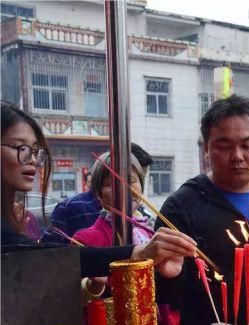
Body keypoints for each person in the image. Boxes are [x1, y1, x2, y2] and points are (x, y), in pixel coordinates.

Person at [155, 95, 249, 325]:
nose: (237, 156)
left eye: (247, 144)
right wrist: (166, 275)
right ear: (207, 148)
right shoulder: (181, 207)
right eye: (224, 145)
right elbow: (166, 296)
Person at [1, 101, 197, 280]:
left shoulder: (147, 225)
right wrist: (138, 253)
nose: (33, 160)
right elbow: (44, 259)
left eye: (35, 151)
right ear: (97, 192)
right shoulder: (84, 230)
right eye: (20, 147)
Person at [40, 143, 155, 243]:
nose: (125, 188)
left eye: (134, 180)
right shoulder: (69, 208)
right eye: (114, 182)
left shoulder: (144, 222)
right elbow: (50, 253)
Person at [73, 152, 153, 246]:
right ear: (98, 193)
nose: (124, 189)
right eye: (113, 183)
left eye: (131, 181)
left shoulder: (152, 234)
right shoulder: (83, 241)